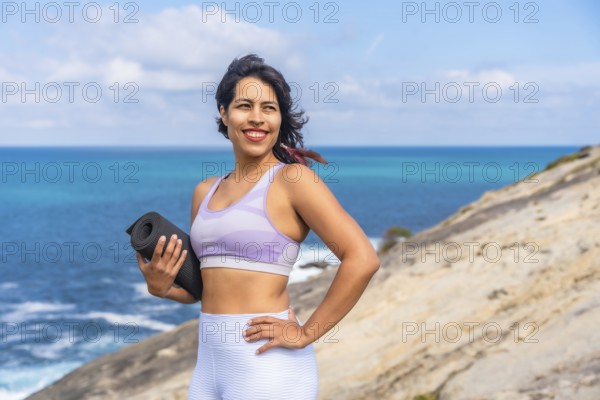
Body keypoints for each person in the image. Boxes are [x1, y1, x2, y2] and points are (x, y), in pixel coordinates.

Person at [135, 54, 380, 399]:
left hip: (268, 367)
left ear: (280, 118)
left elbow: (362, 258)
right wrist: (162, 288)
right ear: (224, 112)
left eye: (269, 108)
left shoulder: (293, 179)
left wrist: (307, 332)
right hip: (208, 367)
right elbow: (206, 289)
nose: (257, 118)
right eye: (244, 105)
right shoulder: (205, 191)